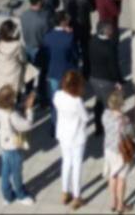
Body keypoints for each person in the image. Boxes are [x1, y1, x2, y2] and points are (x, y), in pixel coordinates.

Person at [0, 86, 38, 205]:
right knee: (16, 172)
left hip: (4, 144)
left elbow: (14, 110)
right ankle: (20, 194)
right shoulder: (12, 115)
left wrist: (22, 105)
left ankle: (7, 195)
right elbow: (27, 125)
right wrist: (29, 109)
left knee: (5, 170)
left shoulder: (0, 109)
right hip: (14, 146)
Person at [53, 70, 90, 209]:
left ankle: (64, 192)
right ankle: (76, 196)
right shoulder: (77, 101)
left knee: (66, 162)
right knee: (77, 165)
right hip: (77, 136)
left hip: (63, 134)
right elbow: (85, 118)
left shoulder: (57, 95)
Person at [102, 88, 134, 214]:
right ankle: (121, 205)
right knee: (121, 178)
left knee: (112, 176)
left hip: (108, 149)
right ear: (121, 104)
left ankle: (113, 202)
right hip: (120, 152)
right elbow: (131, 133)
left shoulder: (105, 115)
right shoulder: (124, 120)